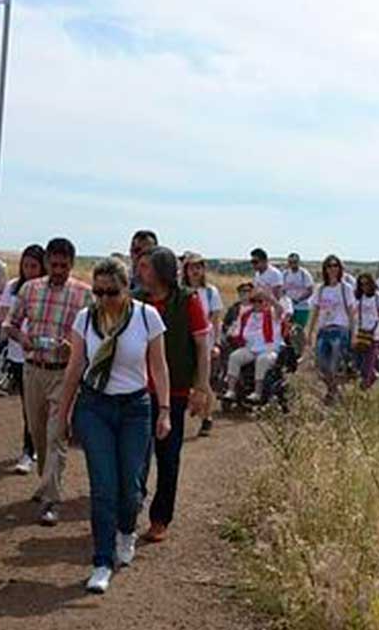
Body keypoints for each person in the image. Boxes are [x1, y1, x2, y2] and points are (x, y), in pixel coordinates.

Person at [56, 258, 171, 594]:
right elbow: (75, 368)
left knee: (130, 487)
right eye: (99, 292)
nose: (105, 299)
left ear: (127, 287)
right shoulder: (86, 319)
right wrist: (62, 415)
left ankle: (126, 530)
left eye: (112, 292)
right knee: (103, 487)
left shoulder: (146, 317)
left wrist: (164, 410)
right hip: (95, 408)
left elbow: (159, 368)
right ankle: (102, 561)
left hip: (136, 408)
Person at [4, 238, 93, 526]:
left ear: (72, 264)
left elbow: (97, 334)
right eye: (53, 265)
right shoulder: (30, 289)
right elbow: (9, 324)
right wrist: (22, 337)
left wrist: (76, 347)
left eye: (63, 266)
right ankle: (47, 480)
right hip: (33, 370)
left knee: (57, 433)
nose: (58, 270)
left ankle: (51, 499)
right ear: (46, 263)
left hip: (64, 373)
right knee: (38, 431)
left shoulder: (84, 295)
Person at [134, 246, 212, 543]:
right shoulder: (136, 301)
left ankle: (160, 517)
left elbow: (203, 349)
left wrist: (201, 388)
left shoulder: (187, 302)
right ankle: (131, 507)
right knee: (135, 455)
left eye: (145, 266)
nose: (139, 271)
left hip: (176, 391)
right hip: (138, 390)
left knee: (167, 458)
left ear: (161, 270)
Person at [0, 244, 47, 475]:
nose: (29, 270)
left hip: (45, 355)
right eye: (26, 265)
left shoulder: (47, 289)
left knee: (43, 408)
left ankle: (41, 445)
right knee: (28, 407)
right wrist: (18, 335)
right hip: (19, 355)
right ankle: (28, 450)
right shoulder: (12, 287)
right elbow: (4, 316)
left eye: (34, 266)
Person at [305, 255, 357, 405]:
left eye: (335, 266)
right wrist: (309, 333)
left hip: (340, 329)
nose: (332, 269)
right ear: (325, 269)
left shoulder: (345, 288)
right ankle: (334, 390)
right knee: (321, 365)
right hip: (324, 330)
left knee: (334, 364)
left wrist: (353, 334)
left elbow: (352, 312)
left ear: (340, 269)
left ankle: (332, 393)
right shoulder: (320, 289)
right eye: (329, 266)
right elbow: (315, 311)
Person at [181, 252, 222, 437]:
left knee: (202, 381)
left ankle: (207, 417)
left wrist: (216, 343)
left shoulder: (210, 292)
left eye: (198, 267)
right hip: (184, 341)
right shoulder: (181, 291)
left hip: (205, 341)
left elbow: (215, 319)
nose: (195, 271)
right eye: (191, 267)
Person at [222, 288, 285, 403]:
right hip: (250, 348)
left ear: (265, 302)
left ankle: (257, 392)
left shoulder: (271, 314)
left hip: (268, 349)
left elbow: (280, 310)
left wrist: (270, 298)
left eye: (260, 301)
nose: (257, 304)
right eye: (254, 301)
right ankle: (231, 390)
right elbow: (238, 330)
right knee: (234, 357)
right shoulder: (247, 315)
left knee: (262, 360)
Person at [352, 273, 379, 389]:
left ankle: (366, 383)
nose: (365, 287)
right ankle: (372, 375)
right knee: (359, 362)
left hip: (374, 333)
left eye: (367, 284)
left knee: (368, 363)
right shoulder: (359, 298)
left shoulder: (378, 297)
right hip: (361, 332)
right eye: (362, 284)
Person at [283, 253, 314, 329]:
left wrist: (298, 299)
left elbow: (310, 290)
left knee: (299, 330)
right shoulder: (285, 274)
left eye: (295, 262)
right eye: (290, 262)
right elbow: (282, 289)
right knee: (287, 330)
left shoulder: (304, 274)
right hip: (288, 308)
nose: (293, 264)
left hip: (302, 307)